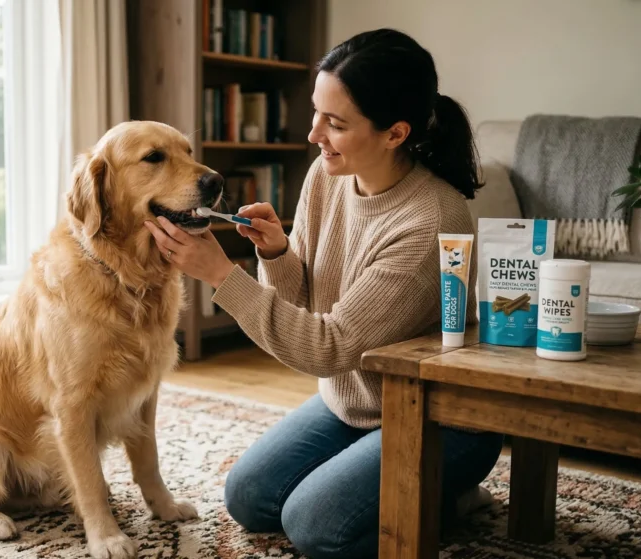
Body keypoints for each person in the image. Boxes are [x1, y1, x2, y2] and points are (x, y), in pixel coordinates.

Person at [143, 28, 503, 559]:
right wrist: (275, 254)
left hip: (440, 419)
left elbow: (326, 347)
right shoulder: (327, 174)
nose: (315, 135)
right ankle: (372, 472)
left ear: (395, 133)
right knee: (249, 499)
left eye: (335, 123)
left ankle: (451, 497)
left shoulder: (431, 219)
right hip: (354, 401)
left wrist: (223, 276)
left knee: (315, 527)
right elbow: (307, 305)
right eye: (317, 113)